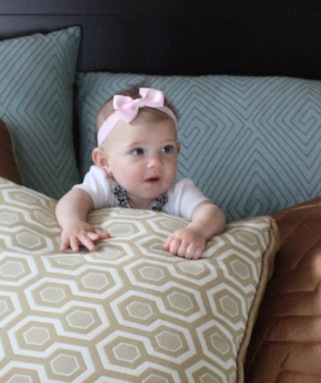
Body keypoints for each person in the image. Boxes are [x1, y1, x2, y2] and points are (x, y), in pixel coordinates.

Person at [56, 86, 226, 259]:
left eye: (167, 149)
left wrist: (196, 231)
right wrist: (73, 223)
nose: (156, 162)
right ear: (104, 161)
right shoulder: (103, 184)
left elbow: (213, 214)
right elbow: (71, 200)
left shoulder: (177, 193)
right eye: (138, 151)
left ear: (178, 151)